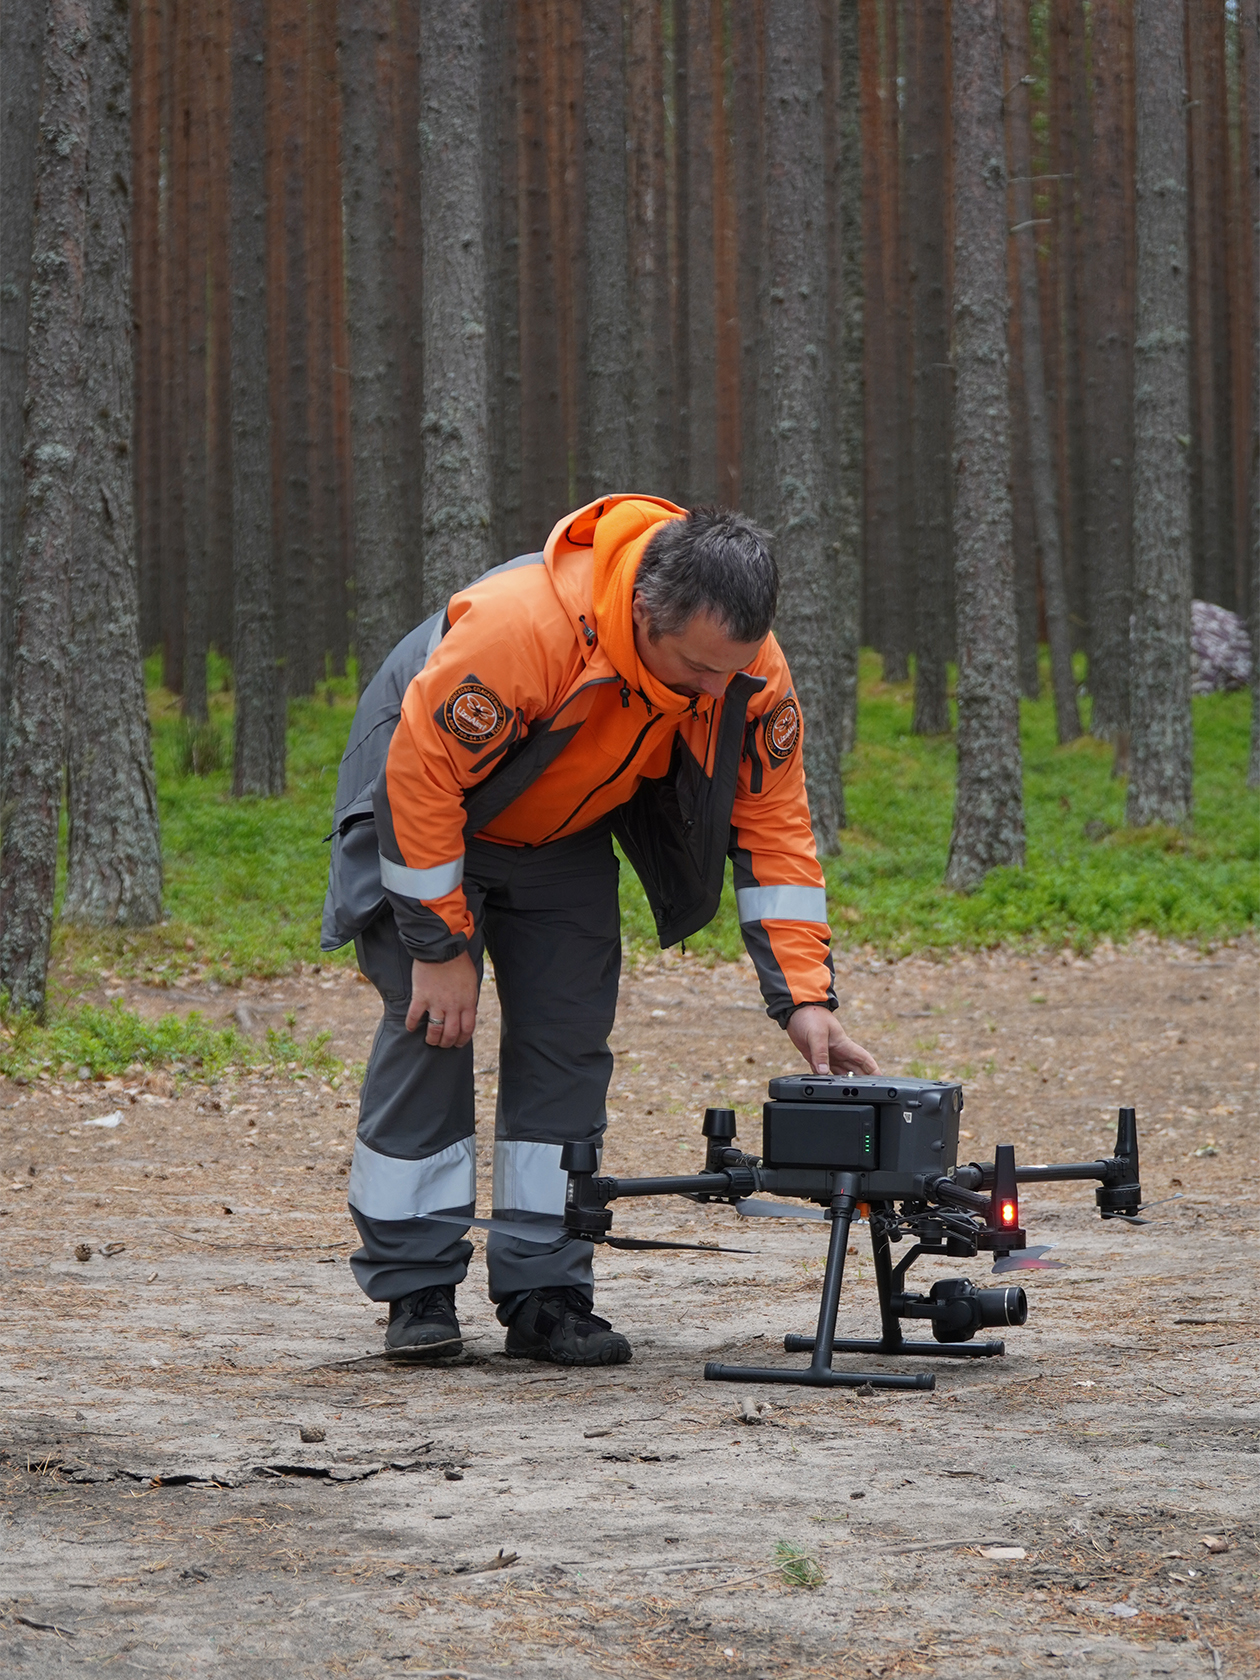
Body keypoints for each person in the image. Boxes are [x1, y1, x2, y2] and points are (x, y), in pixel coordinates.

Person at [321, 496, 878, 1369]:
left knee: (568, 1042)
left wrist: (805, 1001)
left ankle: (545, 1290)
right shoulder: (523, 629)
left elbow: (774, 826)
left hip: (564, 832)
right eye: (697, 672)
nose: (717, 693)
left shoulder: (746, 668)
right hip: (423, 816)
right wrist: (439, 948)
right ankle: (416, 1288)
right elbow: (420, 781)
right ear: (645, 615)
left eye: (732, 672)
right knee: (433, 1033)